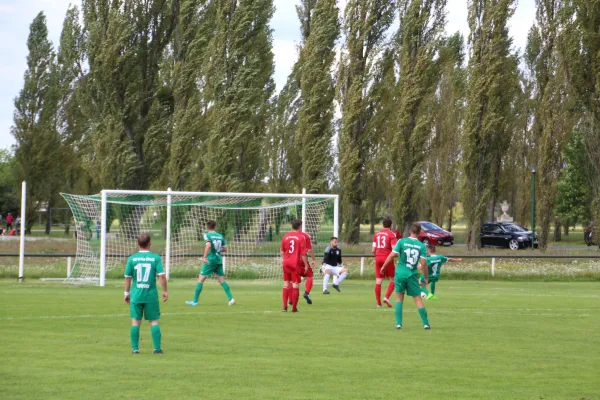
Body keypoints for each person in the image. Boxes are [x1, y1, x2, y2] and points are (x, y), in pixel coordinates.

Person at [380, 222, 431, 330]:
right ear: (419, 232)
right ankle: (426, 324)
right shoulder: (421, 246)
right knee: (417, 299)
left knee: (399, 298)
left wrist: (384, 267)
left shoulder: (402, 241)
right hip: (412, 274)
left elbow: (392, 255)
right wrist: (426, 277)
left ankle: (399, 323)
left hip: (400, 273)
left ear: (410, 231)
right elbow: (423, 263)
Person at [124, 233, 168, 354]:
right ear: (150, 244)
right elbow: (162, 276)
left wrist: (126, 293)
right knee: (154, 321)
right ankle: (157, 349)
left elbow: (127, 278)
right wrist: (165, 290)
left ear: (138, 244)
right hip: (151, 295)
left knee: (135, 321)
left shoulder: (132, 259)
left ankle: (135, 349)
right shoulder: (155, 258)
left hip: (136, 295)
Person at [186, 220, 235, 306]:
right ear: (215, 226)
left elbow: (208, 245)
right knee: (222, 280)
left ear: (207, 227)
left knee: (200, 279)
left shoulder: (207, 235)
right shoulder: (220, 236)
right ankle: (231, 298)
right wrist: (217, 249)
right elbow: (225, 249)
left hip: (211, 260)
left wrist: (204, 257)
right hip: (218, 260)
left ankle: (195, 301)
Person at [281, 219, 309, 312]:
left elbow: (282, 251)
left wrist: (284, 259)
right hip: (294, 264)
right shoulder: (301, 237)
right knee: (295, 285)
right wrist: (305, 265)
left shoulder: (285, 236)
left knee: (286, 284)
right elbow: (303, 253)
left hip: (286, 262)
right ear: (300, 227)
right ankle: (294, 308)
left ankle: (284, 307)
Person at [372, 217, 398, 308]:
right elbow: (394, 249)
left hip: (378, 258)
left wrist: (379, 253)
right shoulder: (391, 234)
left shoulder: (376, 234)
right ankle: (386, 297)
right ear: (390, 225)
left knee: (378, 282)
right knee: (393, 280)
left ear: (383, 224)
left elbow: (373, 250)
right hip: (387, 258)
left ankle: (378, 304)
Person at [288, 227, 317, 305]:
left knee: (292, 280)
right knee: (309, 276)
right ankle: (306, 293)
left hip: (291, 260)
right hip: (302, 259)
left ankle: (290, 300)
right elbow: (309, 250)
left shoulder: (288, 236)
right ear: (300, 227)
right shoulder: (304, 236)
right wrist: (313, 259)